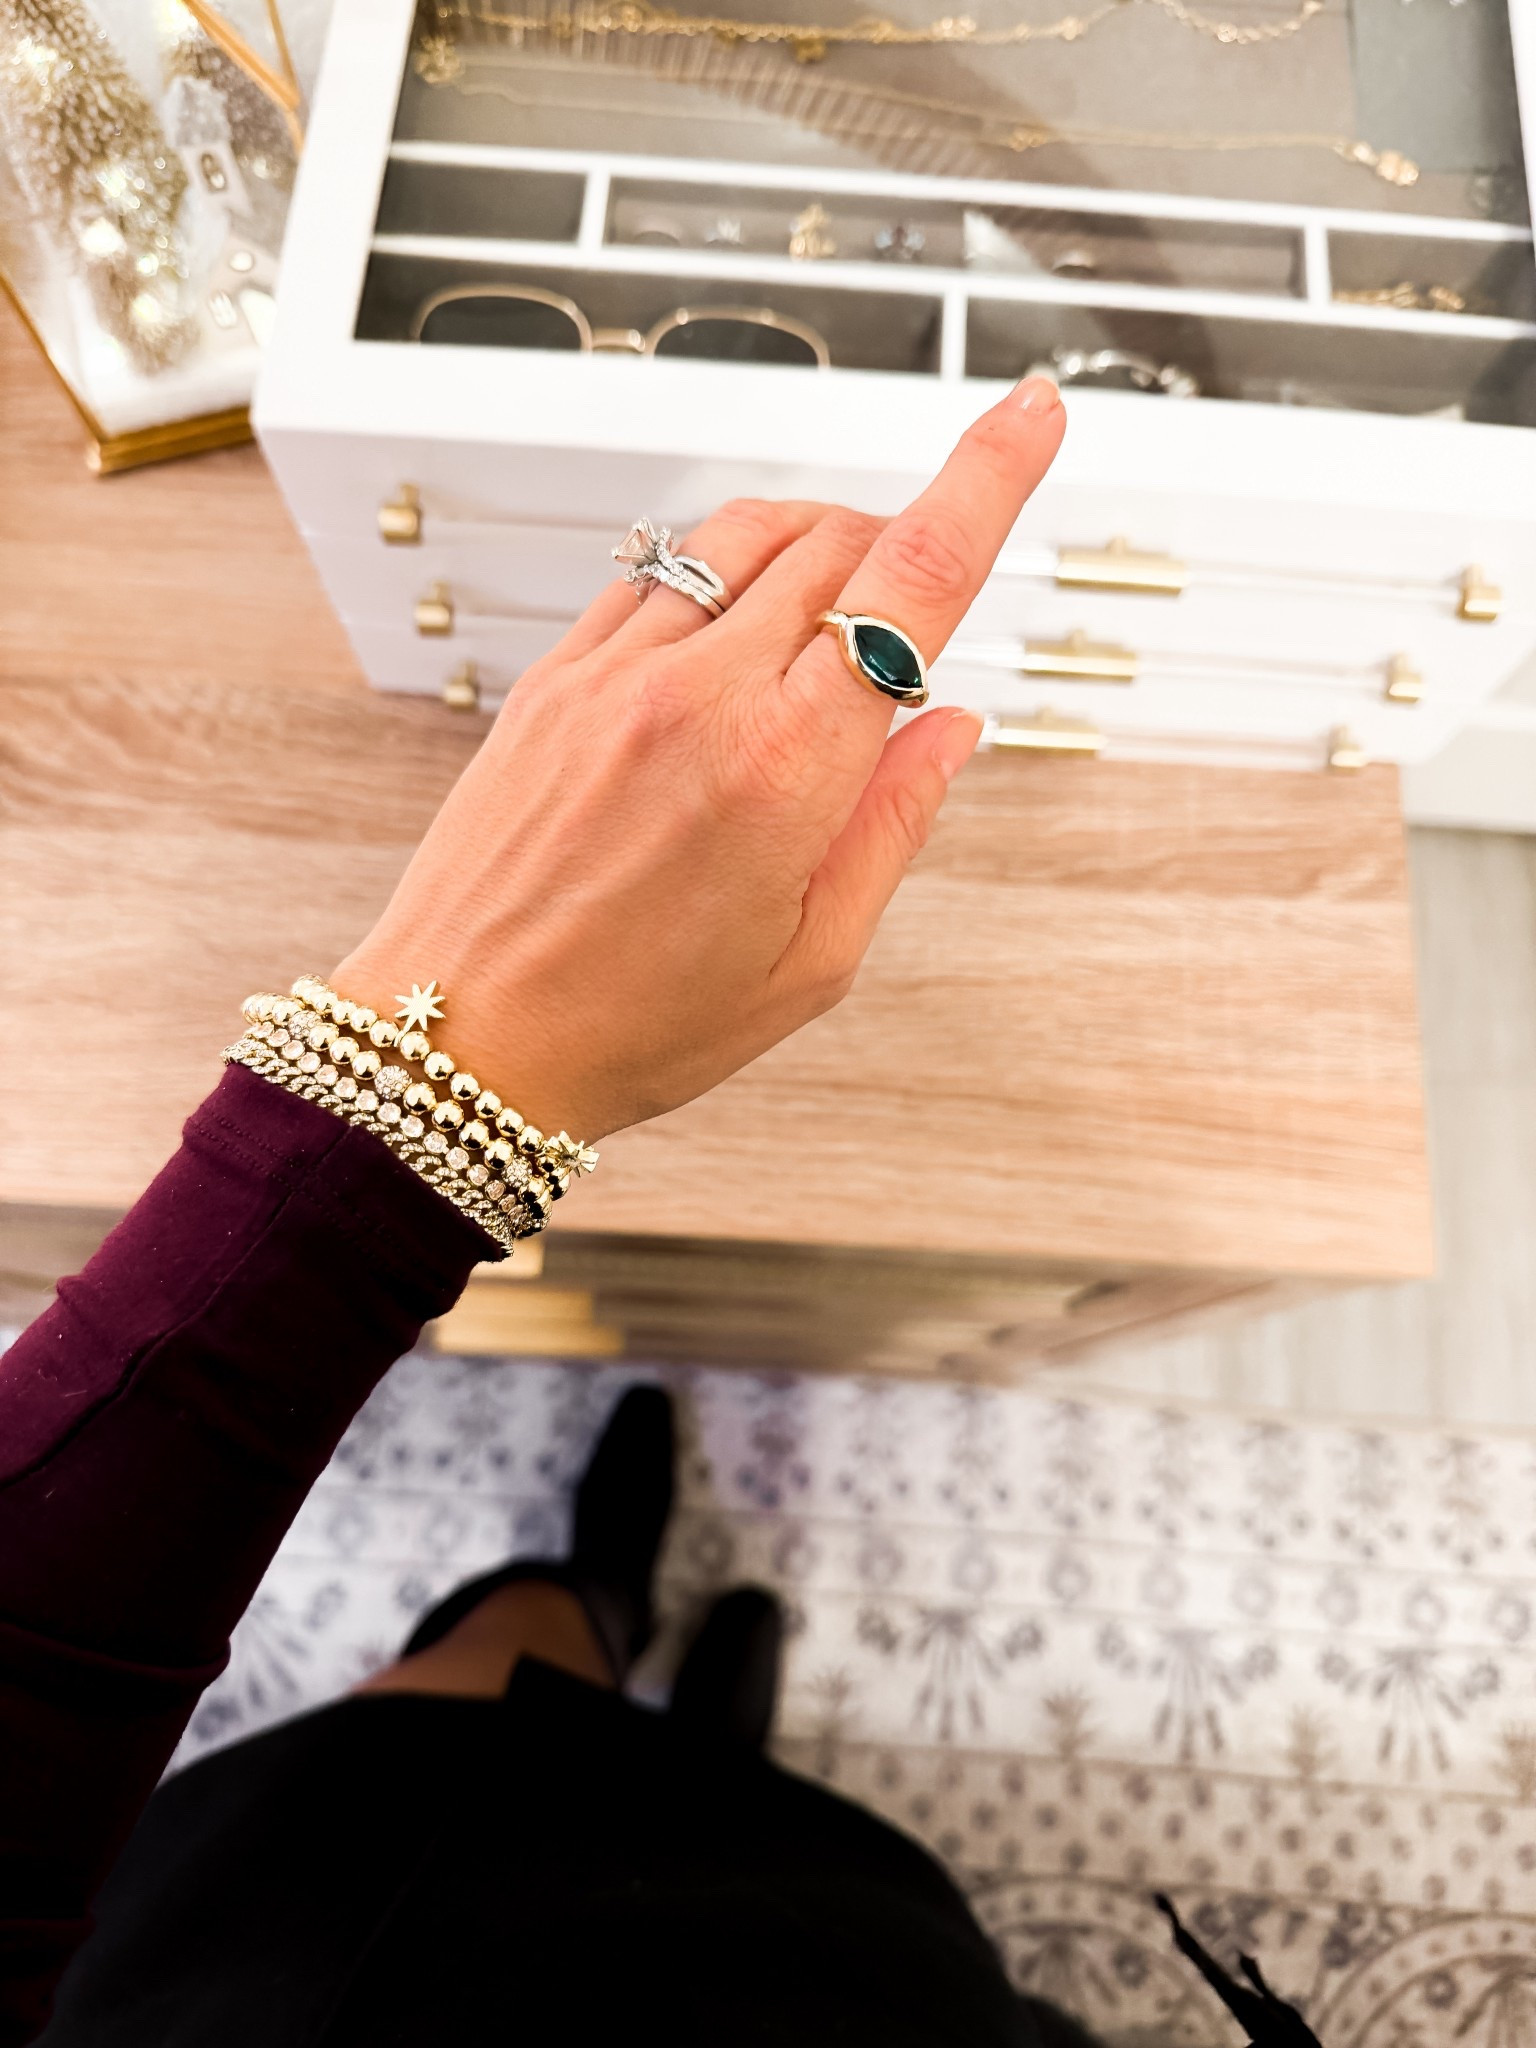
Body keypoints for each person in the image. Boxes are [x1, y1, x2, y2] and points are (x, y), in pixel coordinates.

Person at [0, 374, 1318, 2048]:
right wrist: (409, 1094)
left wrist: (399, 1080)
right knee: (668, 1813)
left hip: (264, 1956)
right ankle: (670, 1706)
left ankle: (577, 1612)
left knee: (461, 1705)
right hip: (795, 1995)